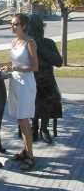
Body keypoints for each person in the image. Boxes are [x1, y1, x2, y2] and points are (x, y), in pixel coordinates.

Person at [0, 13, 38, 170]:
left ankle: (31, 156)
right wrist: (3, 64)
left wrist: (13, 67)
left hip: (25, 84)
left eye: (15, 24)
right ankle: (25, 150)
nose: (12, 27)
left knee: (24, 120)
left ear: (23, 26)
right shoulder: (14, 41)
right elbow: (15, 62)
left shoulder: (30, 42)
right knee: (20, 120)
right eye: (11, 24)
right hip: (15, 83)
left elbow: (35, 67)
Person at [28, 14, 63, 143]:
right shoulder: (25, 44)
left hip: (47, 82)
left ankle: (43, 128)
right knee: (32, 95)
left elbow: (58, 62)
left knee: (47, 93)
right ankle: (34, 127)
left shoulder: (48, 43)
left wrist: (40, 47)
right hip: (30, 82)